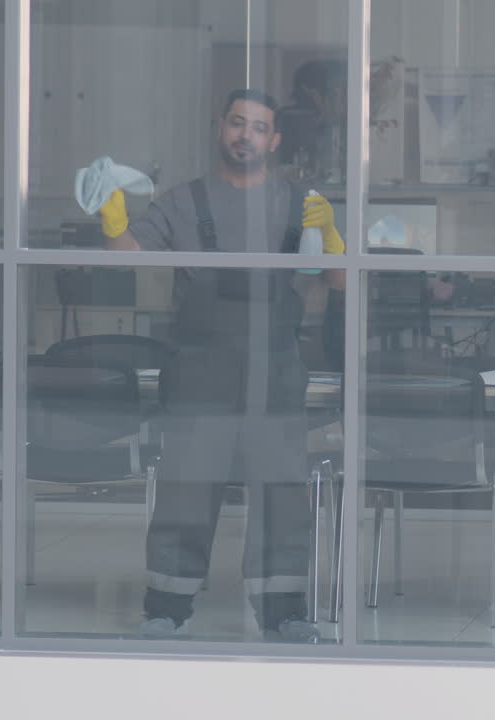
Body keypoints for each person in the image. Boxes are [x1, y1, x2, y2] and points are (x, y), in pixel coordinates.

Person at [97, 88, 345, 642]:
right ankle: (166, 606)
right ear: (221, 127)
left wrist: (330, 234)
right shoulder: (184, 202)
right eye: (237, 123)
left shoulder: (299, 202)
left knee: (281, 489)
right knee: (187, 485)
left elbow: (340, 280)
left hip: (275, 367)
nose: (245, 135)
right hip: (201, 369)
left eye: (258, 128)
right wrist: (115, 223)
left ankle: (285, 611)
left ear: (274, 140)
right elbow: (127, 259)